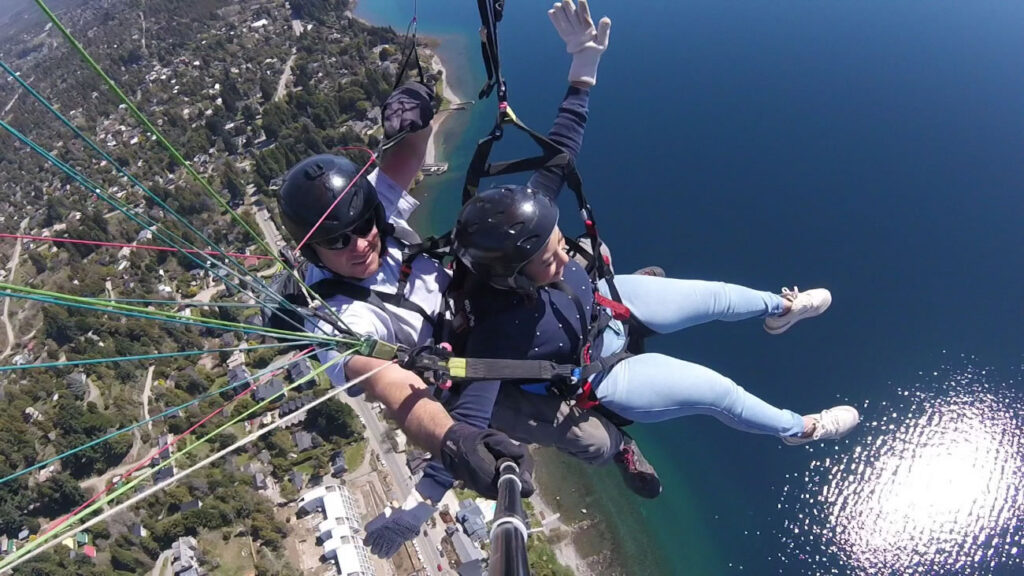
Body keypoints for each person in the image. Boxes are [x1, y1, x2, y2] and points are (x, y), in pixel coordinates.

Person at [276, 0, 658, 559]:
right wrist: (452, 442)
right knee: (591, 440)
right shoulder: (339, 318)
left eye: (364, 227)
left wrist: (418, 107)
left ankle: (615, 303)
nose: (361, 243)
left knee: (587, 251)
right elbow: (387, 382)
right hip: (462, 369)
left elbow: (406, 153)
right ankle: (622, 443)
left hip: (481, 296)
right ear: (310, 248)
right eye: (338, 241)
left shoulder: (366, 212)